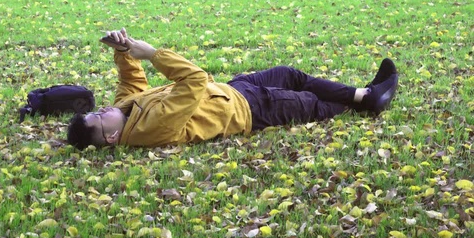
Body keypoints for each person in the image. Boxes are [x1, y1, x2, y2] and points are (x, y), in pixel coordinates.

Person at [67, 28, 398, 150]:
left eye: (96, 110)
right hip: (247, 110)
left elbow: (130, 83)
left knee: (289, 74)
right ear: (111, 137)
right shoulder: (150, 128)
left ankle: (364, 95)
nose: (103, 109)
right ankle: (368, 100)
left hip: (232, 90)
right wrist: (153, 54)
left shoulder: (125, 111)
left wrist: (124, 51)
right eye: (99, 118)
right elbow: (194, 80)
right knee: (310, 104)